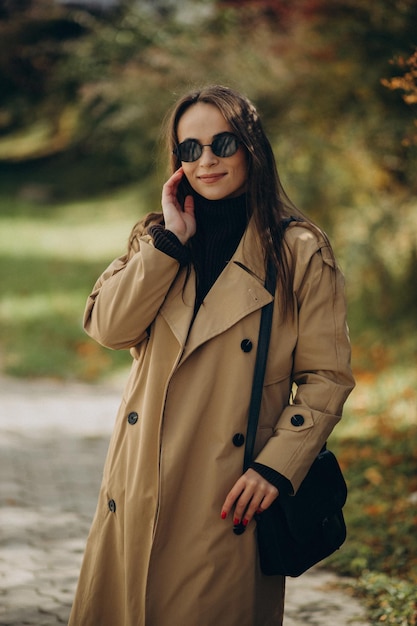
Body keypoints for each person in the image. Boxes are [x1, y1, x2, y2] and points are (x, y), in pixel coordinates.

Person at [68, 84, 355, 626]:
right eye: (190, 148)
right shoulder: (158, 239)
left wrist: (276, 468)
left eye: (223, 144)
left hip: (226, 493)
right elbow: (108, 326)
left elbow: (327, 378)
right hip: (138, 488)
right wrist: (171, 242)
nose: (206, 160)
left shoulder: (298, 251)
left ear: (251, 147)